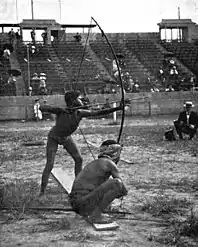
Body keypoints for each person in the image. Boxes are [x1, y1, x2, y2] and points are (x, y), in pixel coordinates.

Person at [39, 90, 124, 197]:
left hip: (66, 137)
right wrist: (57, 109)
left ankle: (78, 188)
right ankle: (42, 193)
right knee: (50, 164)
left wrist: (118, 108)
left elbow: (98, 112)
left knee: (79, 159)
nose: (82, 100)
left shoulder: (80, 113)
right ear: (73, 101)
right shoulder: (61, 111)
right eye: (79, 98)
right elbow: (41, 108)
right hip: (54, 137)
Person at [69, 139, 128, 224]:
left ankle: (94, 212)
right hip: (83, 204)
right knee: (116, 183)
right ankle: (95, 217)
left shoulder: (94, 163)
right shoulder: (109, 164)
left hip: (75, 205)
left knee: (109, 184)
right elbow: (123, 190)